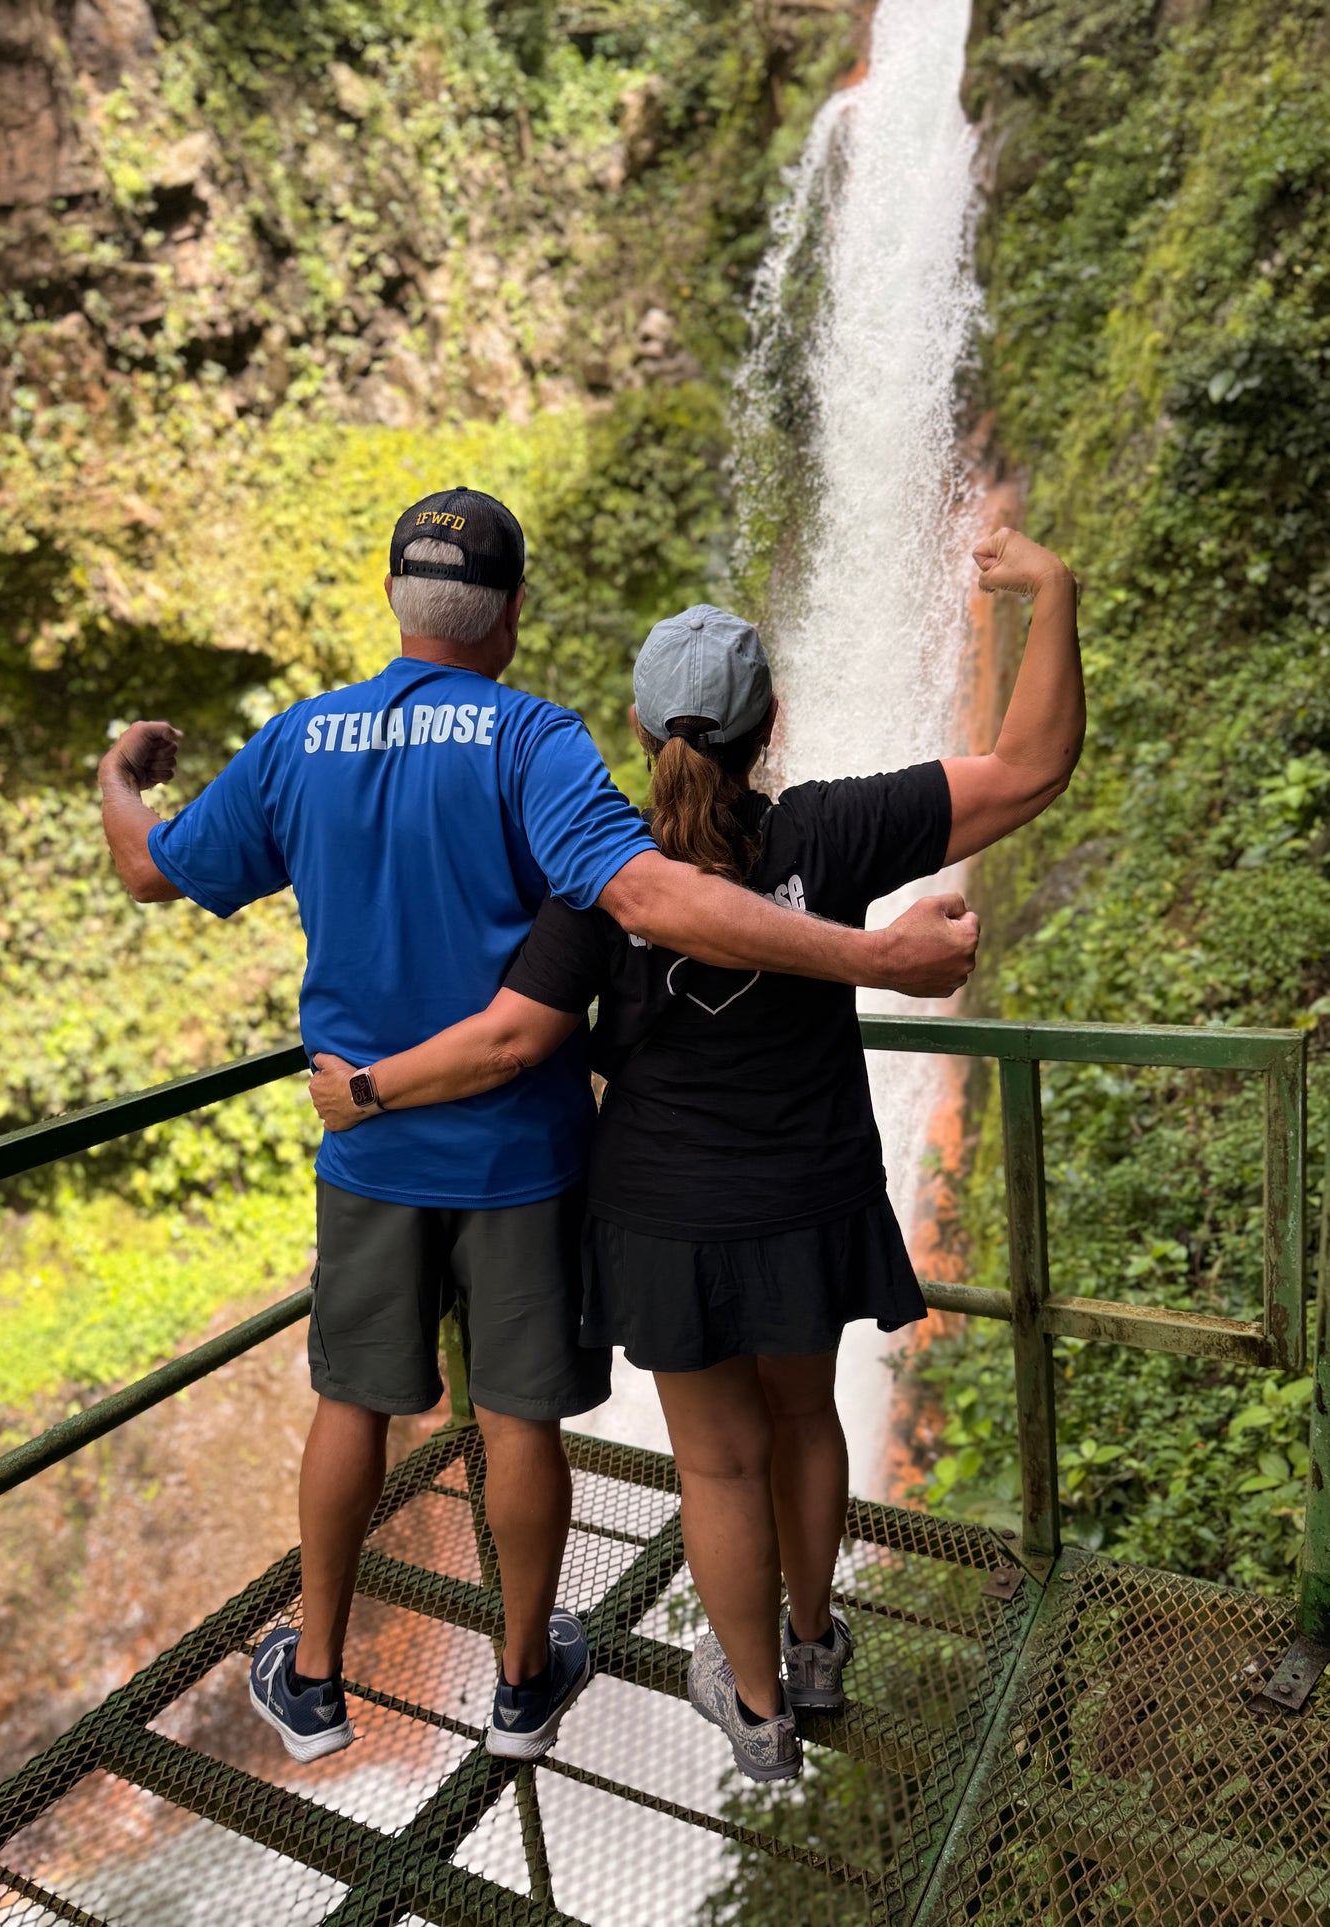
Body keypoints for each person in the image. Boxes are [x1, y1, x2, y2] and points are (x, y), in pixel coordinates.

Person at [95, 486, 981, 1769]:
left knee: (352, 1402)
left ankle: (318, 1673)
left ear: (393, 600)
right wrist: (872, 957)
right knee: (516, 1419)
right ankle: (522, 1683)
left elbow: (148, 865)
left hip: (367, 1134)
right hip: (522, 1150)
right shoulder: (532, 742)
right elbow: (652, 896)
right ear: (511, 615)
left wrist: (122, 777)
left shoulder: (298, 741)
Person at [308, 524, 1082, 1782]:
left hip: (665, 1217)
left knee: (718, 1463)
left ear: (636, 723)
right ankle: (818, 1640)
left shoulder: (596, 877)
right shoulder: (829, 835)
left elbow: (506, 1042)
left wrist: (369, 1090)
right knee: (804, 1417)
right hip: (808, 1194)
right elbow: (1031, 763)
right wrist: (1047, 589)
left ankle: (760, 1713)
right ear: (768, 722)